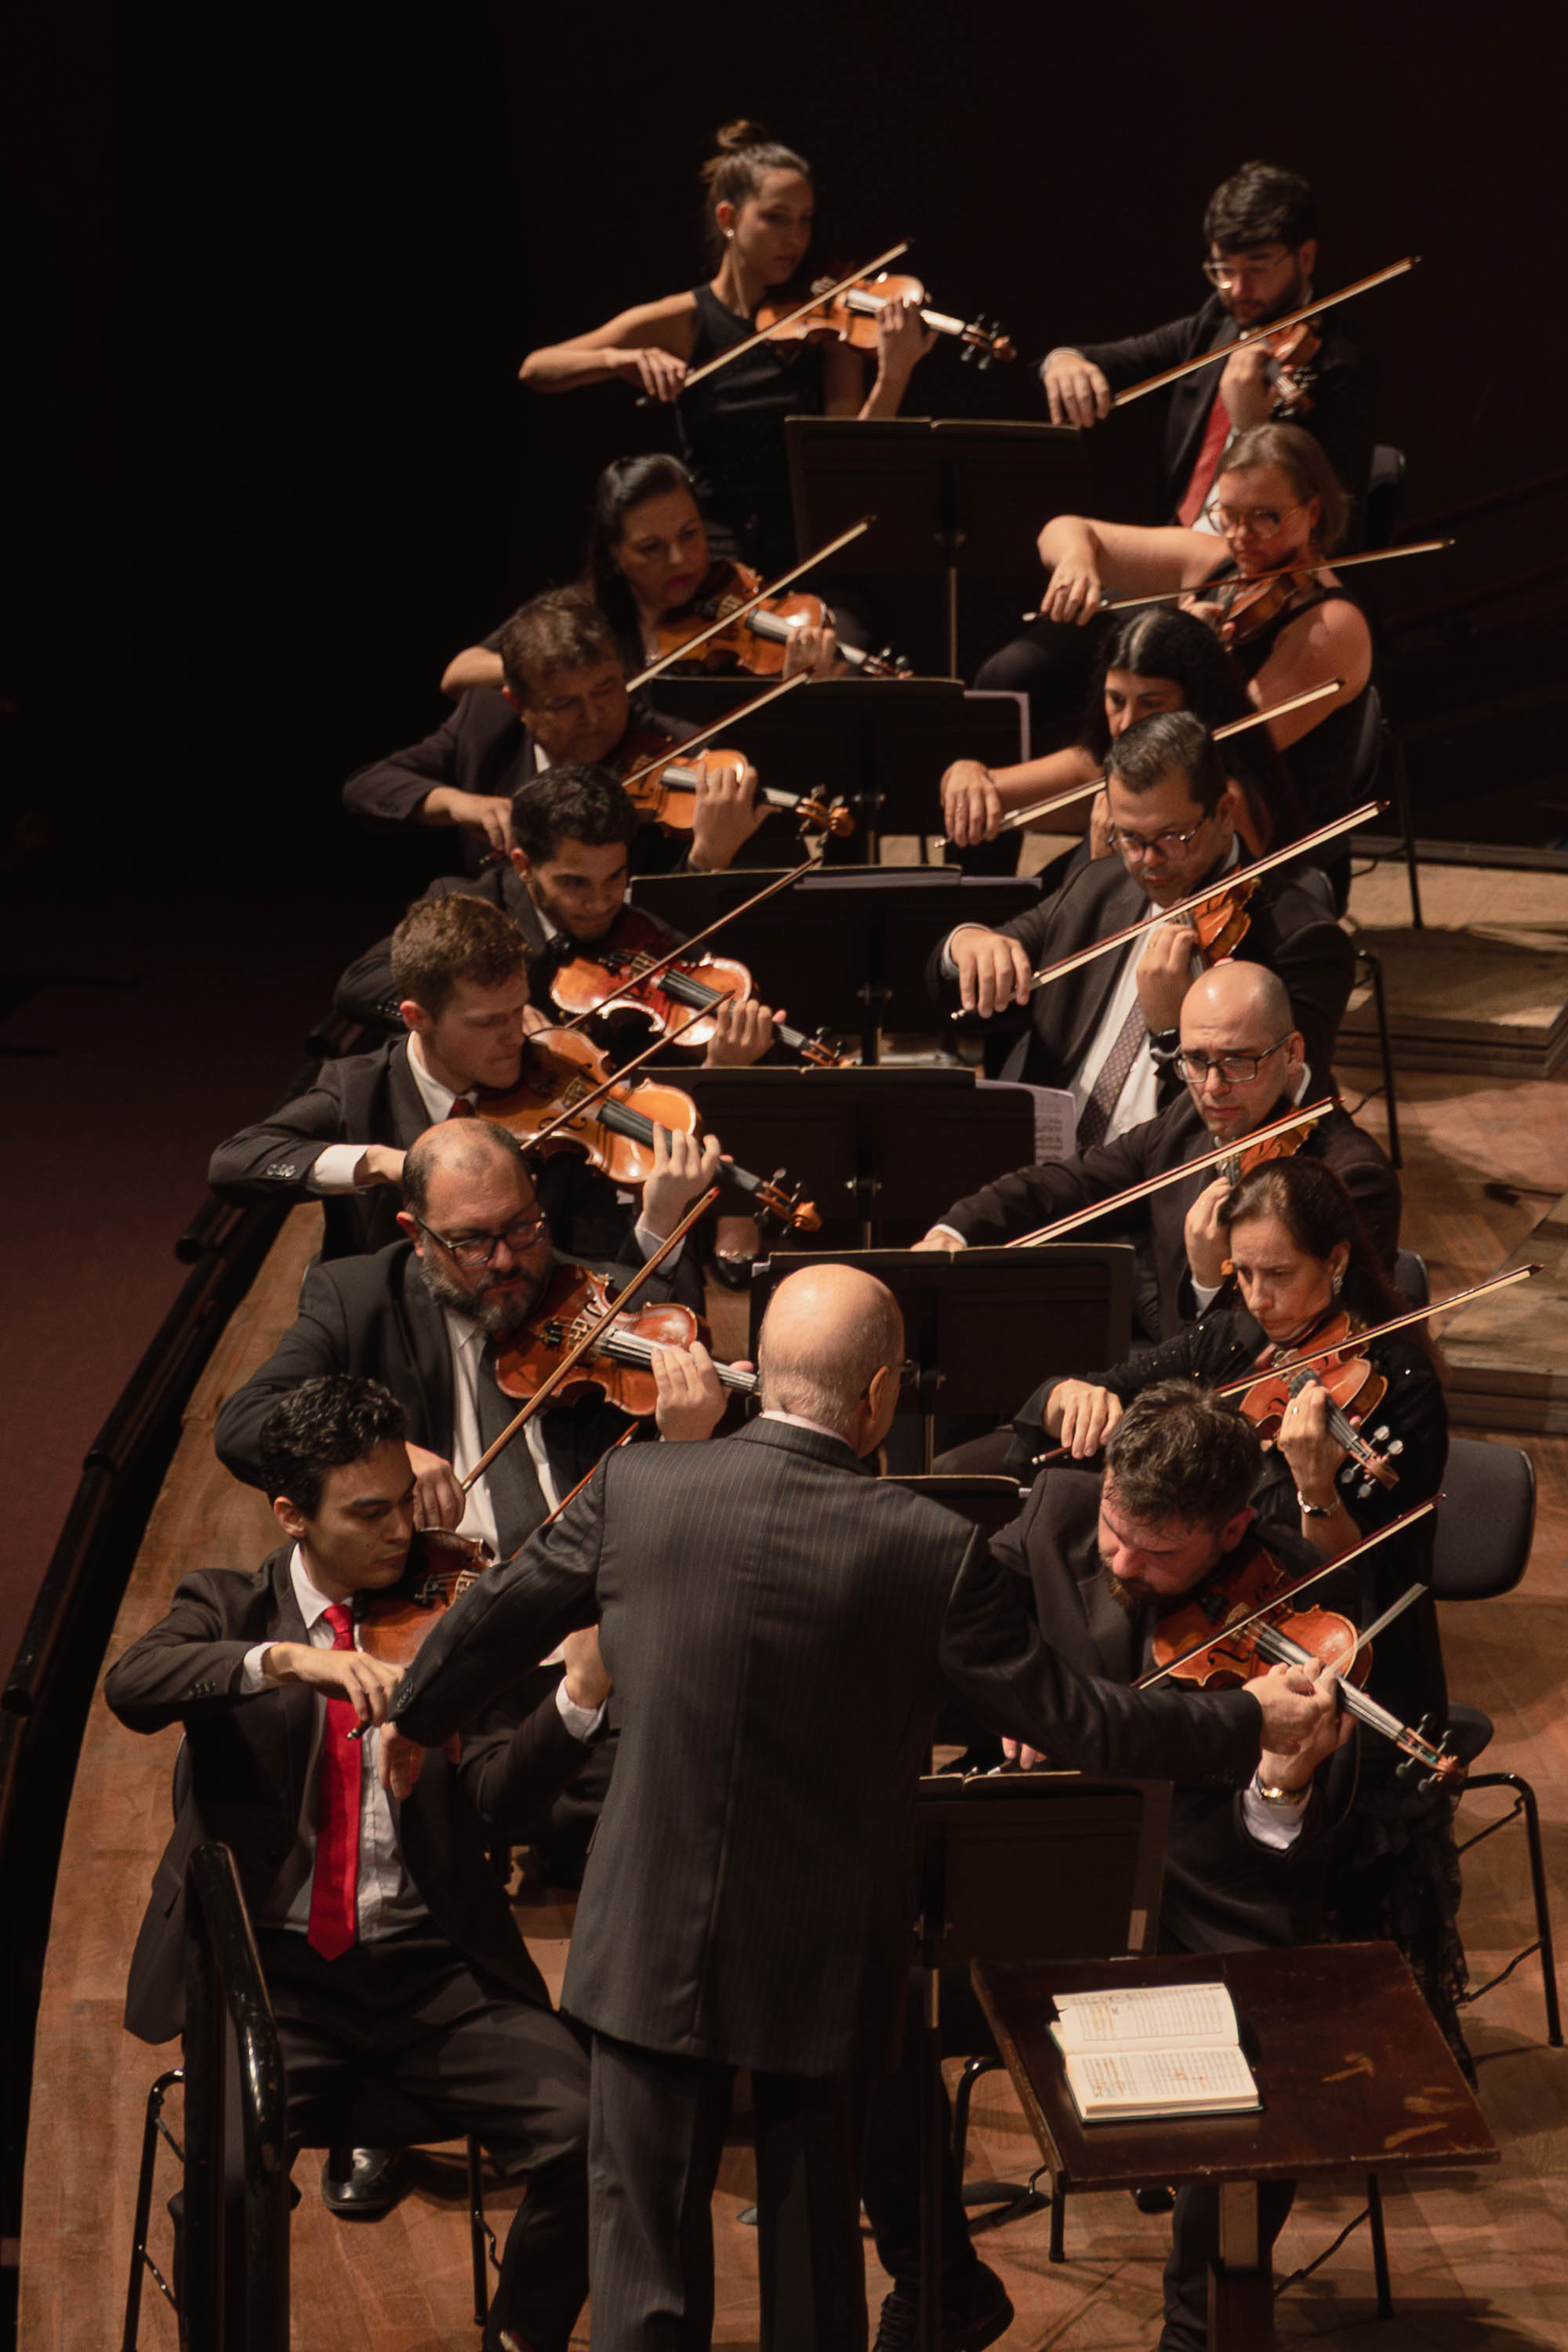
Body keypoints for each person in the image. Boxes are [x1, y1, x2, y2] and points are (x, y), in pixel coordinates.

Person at [390, 1261, 1341, 2352]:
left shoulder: (636, 1488)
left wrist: (413, 1723)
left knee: (641, 2280)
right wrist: (1244, 1720)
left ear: (769, 1374)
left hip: (644, 1939)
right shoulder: (929, 1551)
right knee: (813, 2285)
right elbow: (1085, 1724)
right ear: (882, 1394)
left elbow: (496, 1617)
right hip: (822, 1956)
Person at [104, 1374, 606, 2350]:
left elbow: (505, 1798)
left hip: (434, 1975)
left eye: (401, 1506)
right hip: (274, 1982)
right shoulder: (229, 1604)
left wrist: (574, 1701)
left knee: (593, 2136)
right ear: (293, 1515)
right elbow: (134, 1684)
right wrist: (290, 1661)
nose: (399, 1537)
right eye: (366, 1514)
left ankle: (518, 2339)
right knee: (225, 2186)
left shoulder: (451, 1611)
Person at [861, 1384, 1356, 2352]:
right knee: (874, 2014)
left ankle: (1195, 2328)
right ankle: (939, 2284)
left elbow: (1312, 1842)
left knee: (1267, 2076)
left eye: (1158, 1551)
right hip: (1049, 1889)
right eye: (1114, 1532)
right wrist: (1007, 1705)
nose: (1121, 1562)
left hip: (1208, 1917)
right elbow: (960, 1642)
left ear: (1231, 1530)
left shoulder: (1298, 1603)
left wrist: (1280, 1784)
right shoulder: (1053, 1514)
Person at [1024, 1153, 1447, 1744]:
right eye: (1242, 1272)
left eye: (1277, 1275)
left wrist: (1316, 1488)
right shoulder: (1233, 1338)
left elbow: (1359, 1585)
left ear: (1337, 1262)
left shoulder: (1401, 1385)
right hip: (1208, 1627)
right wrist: (1064, 1393)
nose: (1255, 1298)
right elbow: (1112, 1386)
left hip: (1334, 1660)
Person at [213, 1120, 728, 1559]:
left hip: (586, 1589)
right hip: (429, 1598)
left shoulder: (588, 1295)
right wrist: (376, 1454)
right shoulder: (360, 1298)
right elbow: (244, 1424)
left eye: (522, 1228)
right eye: (470, 1241)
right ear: (416, 1236)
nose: (505, 1259)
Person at [213, 891, 728, 1278]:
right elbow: (234, 1163)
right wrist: (380, 1162)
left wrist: (659, 1216)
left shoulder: (557, 1093)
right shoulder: (359, 1087)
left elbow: (593, 1268)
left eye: (518, 1009)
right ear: (416, 1017)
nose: (516, 1037)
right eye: (486, 1023)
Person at [518, 121, 935, 576]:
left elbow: (850, 468)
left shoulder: (827, 324)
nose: (796, 238)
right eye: (776, 218)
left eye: (805, 220)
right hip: (712, 560)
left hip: (812, 554)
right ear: (728, 219)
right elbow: (537, 369)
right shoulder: (686, 317)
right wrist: (618, 359)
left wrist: (894, 376)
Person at [917, 961, 1399, 1345]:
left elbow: (1304, 1349)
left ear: (1293, 1053)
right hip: (1151, 1369)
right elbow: (1070, 1186)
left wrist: (1210, 1284)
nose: (1213, 1086)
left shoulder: (1354, 1177)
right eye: (1194, 1060)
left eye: (1237, 1061)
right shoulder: (1189, 1120)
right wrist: (958, 1229)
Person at [928, 709, 1354, 1129]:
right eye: (1130, 837)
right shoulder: (1101, 886)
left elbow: (1279, 1124)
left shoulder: (1301, 940)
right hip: (1042, 1162)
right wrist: (966, 944)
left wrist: (1172, 1033)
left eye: (1171, 837)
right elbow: (958, 992)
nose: (1148, 861)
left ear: (1224, 813)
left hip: (1162, 1188)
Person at [331, 768, 782, 1067]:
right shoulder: (468, 905)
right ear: (523, 865)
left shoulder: (644, 933)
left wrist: (718, 1065)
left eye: (614, 877)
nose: (602, 901)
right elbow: (359, 986)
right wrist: (493, 1012)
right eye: (575, 884)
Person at [343, 587, 767, 870]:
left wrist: (706, 859)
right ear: (518, 703)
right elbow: (367, 787)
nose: (594, 716)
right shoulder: (486, 724)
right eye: (564, 704)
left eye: (605, 689)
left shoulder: (687, 752)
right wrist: (457, 803)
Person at [1039, 161, 1370, 523]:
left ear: (1305, 258)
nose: (1238, 289)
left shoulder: (1339, 364)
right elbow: (1117, 357)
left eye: (1258, 266)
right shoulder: (1213, 326)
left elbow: (1320, 526)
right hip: (1177, 545)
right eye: (1224, 270)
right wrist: (1064, 360)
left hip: (1255, 559)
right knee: (1065, 537)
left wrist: (1251, 429)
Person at [939, 604, 1305, 866]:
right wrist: (967, 773)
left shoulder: (1227, 801)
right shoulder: (1111, 763)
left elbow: (1172, 928)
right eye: (1116, 700)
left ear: (1196, 704)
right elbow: (994, 790)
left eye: (1151, 703)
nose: (1127, 723)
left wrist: (1106, 866)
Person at [442, 455, 842, 693]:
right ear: (615, 553)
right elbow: (459, 673)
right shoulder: (582, 610)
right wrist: (567, 670)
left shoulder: (735, 592)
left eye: (690, 535)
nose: (679, 559)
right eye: (652, 548)